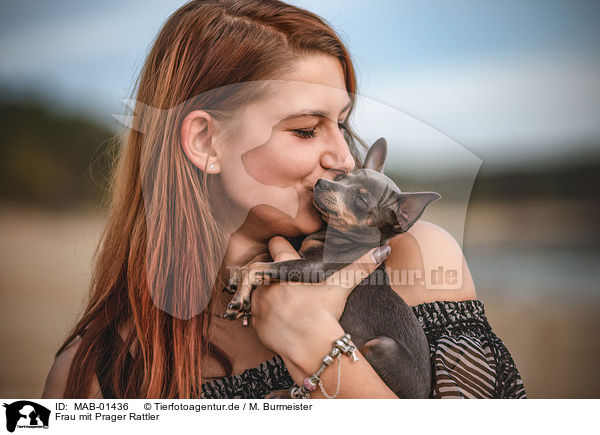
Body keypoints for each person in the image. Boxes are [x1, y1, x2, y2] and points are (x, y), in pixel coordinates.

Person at [42, 0, 526, 399]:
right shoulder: (96, 376)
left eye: (342, 123)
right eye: (306, 129)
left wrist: (315, 342)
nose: (342, 156)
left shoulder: (417, 261)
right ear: (206, 142)